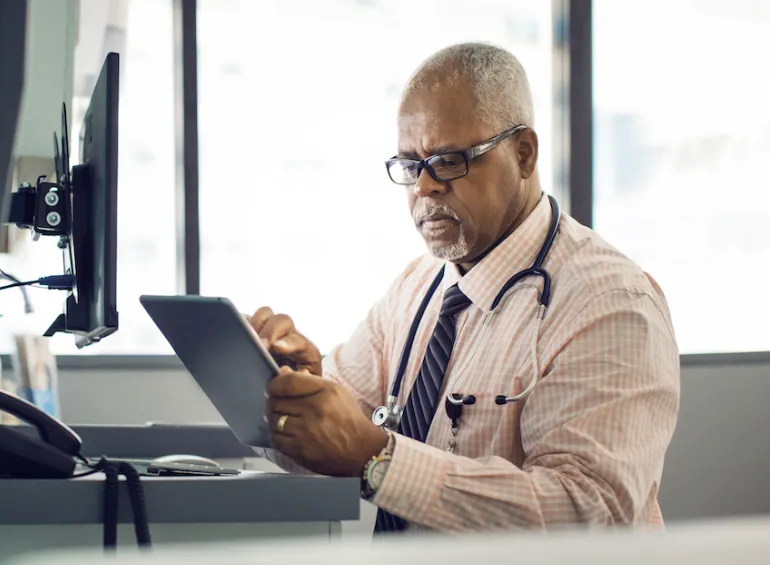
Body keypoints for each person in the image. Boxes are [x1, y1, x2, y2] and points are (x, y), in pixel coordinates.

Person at [248, 42, 680, 533]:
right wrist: (292, 393)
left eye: (449, 161)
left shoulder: (609, 303)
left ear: (524, 154)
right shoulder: (417, 289)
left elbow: (588, 513)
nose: (423, 188)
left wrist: (379, 459)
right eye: (411, 166)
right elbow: (329, 443)